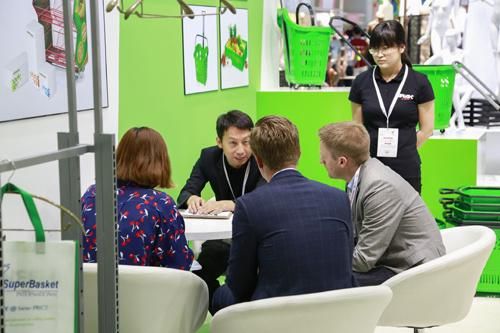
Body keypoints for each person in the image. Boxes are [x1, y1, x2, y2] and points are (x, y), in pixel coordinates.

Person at [211, 116, 356, 314]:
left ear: (258, 160)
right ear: (299, 153)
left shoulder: (249, 206)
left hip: (278, 317)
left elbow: (239, 285)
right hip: (338, 313)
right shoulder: (339, 198)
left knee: (218, 295)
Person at [318, 121, 445, 286]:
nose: (321, 161)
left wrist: (321, 265)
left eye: (324, 158)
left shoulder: (379, 188)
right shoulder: (361, 176)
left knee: (330, 281)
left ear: (342, 162)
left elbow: (363, 261)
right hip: (393, 259)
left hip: (412, 270)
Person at [177, 110, 264, 304]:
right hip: (222, 241)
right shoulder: (209, 157)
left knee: (252, 281)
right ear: (219, 142)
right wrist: (192, 198)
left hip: (256, 238)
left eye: (247, 142)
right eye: (233, 143)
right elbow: (186, 191)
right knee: (198, 277)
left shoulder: (261, 158)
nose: (241, 150)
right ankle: (224, 312)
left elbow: (264, 198)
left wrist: (232, 204)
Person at [81, 127, 194, 270]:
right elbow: (180, 264)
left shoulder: (92, 195)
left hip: (89, 289)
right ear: (161, 161)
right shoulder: (161, 204)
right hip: (144, 290)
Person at [349, 20, 435, 193]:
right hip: (369, 168)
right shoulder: (361, 82)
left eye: (386, 48)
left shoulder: (419, 82)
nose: (380, 54)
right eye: (375, 49)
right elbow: (358, 128)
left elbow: (427, 130)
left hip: (406, 169)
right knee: (369, 218)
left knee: (407, 219)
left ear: (401, 47)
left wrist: (403, 147)